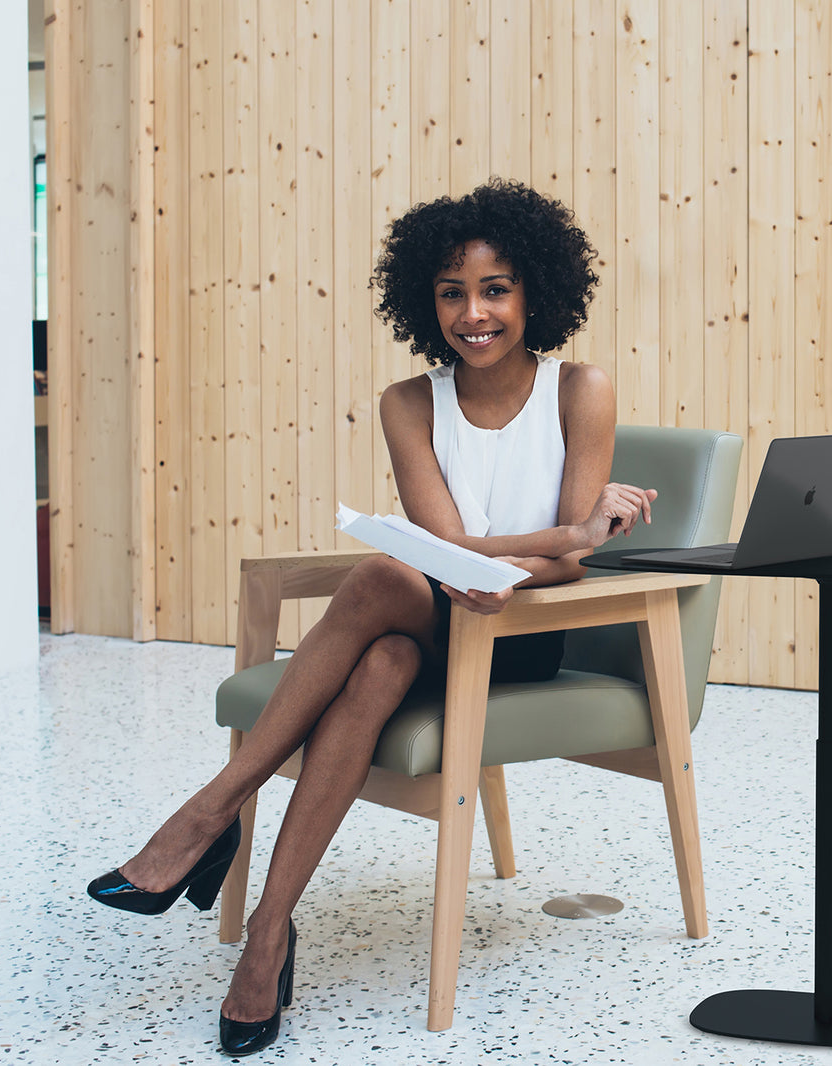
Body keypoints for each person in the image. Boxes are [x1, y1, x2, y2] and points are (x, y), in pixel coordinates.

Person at [87, 179, 657, 1056]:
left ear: (535, 291)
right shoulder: (407, 402)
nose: (474, 313)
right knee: (385, 648)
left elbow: (565, 566)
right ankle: (270, 935)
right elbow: (448, 546)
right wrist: (560, 534)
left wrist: (546, 550)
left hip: (516, 637)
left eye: (495, 288)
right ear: (423, 303)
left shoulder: (582, 388)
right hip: (426, 621)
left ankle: (209, 815)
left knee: (386, 576)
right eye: (451, 293)